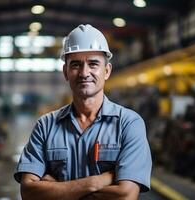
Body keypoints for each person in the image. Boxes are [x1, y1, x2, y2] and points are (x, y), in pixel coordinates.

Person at [14, 24, 152, 200]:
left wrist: (56, 189)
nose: (84, 72)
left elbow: (125, 195)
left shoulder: (129, 124)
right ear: (66, 72)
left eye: (93, 64)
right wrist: (96, 182)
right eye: (76, 65)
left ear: (107, 71)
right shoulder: (45, 126)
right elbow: (29, 192)